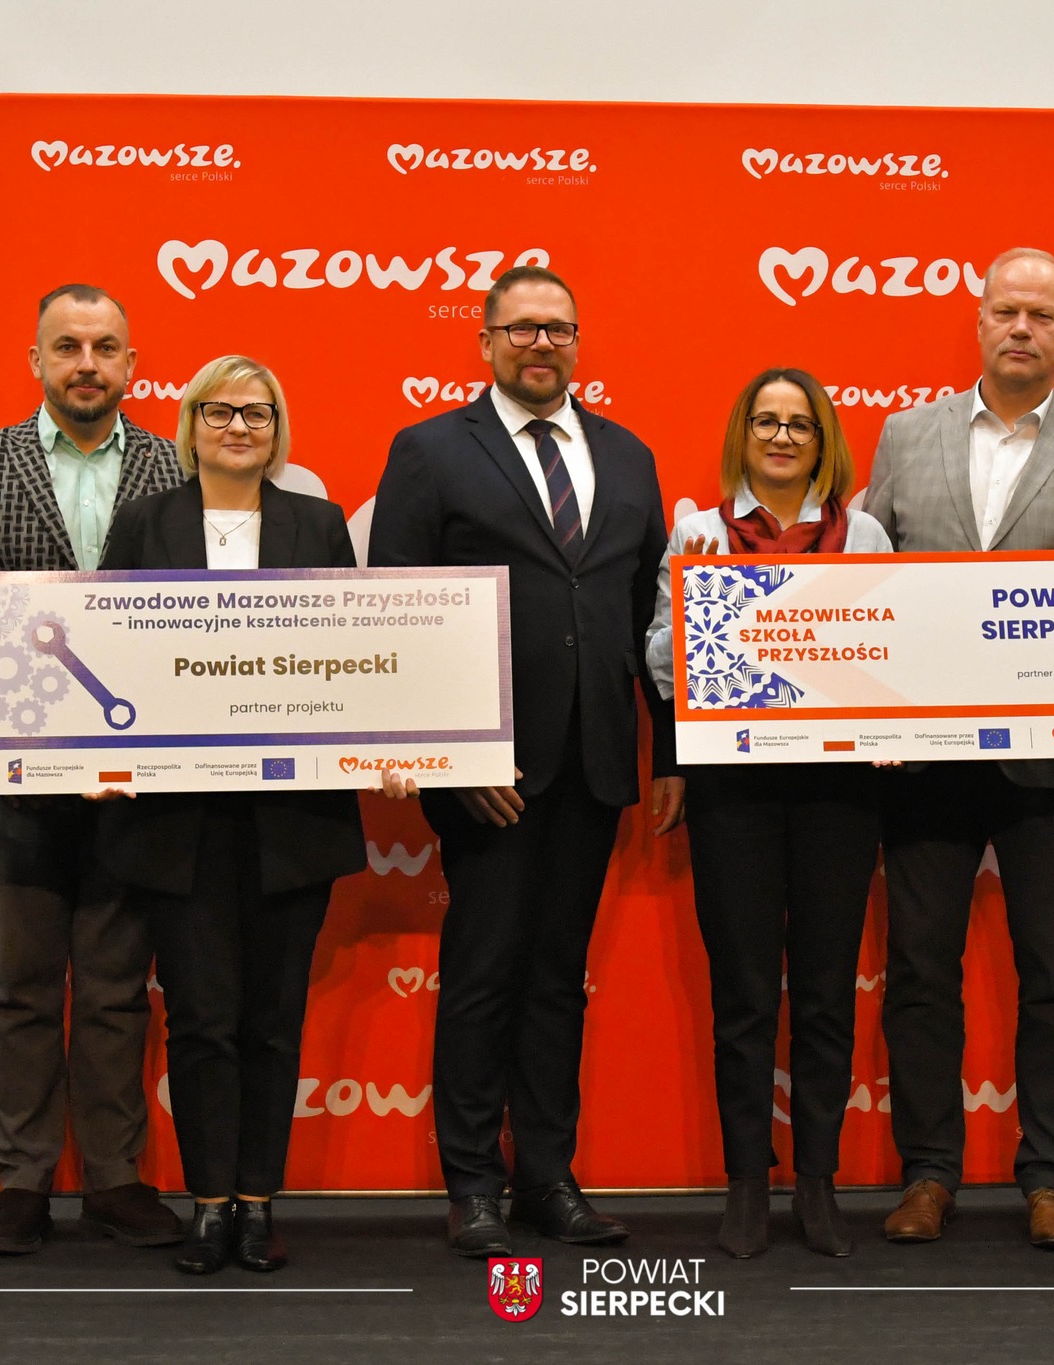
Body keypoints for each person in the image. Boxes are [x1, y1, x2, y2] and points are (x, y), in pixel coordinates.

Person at [370, 265, 681, 1257]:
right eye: (521, 328)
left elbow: (653, 620)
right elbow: (399, 615)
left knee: (556, 980)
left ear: (578, 342)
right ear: (485, 341)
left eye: (558, 328)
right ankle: (473, 1184)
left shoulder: (627, 455)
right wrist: (450, 757)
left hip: (594, 763)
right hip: (487, 776)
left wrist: (668, 755)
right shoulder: (428, 451)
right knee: (482, 974)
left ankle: (548, 1175)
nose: (540, 344)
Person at [862, 247, 1054, 1250]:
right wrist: (873, 717)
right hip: (922, 758)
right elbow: (865, 584)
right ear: (977, 322)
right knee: (919, 970)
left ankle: (1052, 1176)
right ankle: (927, 1172)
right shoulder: (904, 436)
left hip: (1047, 763)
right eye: (1005, 311)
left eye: (1041, 314)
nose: (1021, 328)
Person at [0, 283, 185, 1256]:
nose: (86, 364)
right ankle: (19, 1181)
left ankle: (113, 1178)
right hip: (18, 782)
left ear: (132, 364)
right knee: (22, 986)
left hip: (137, 783)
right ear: (36, 360)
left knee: (115, 988)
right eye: (67, 346)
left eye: (105, 347)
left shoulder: (173, 465)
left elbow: (201, 616)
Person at [92, 355, 371, 1274]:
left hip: (291, 819)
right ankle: (209, 1201)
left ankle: (258, 1201)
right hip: (180, 823)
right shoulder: (146, 522)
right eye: (220, 411)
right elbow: (106, 648)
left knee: (273, 1020)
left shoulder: (318, 524)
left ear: (278, 429)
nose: (239, 426)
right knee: (202, 1018)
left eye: (258, 412)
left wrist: (398, 746)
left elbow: (355, 655)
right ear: (190, 424)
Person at [643, 369, 892, 1258]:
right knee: (744, 993)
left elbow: (889, 649)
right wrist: (708, 621)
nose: (782, 437)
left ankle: (818, 1180)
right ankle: (747, 1177)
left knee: (825, 992)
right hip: (734, 789)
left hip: (838, 792)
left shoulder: (864, 534)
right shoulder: (700, 533)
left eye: (800, 424)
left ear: (823, 442)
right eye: (767, 422)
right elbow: (660, 662)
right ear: (742, 436)